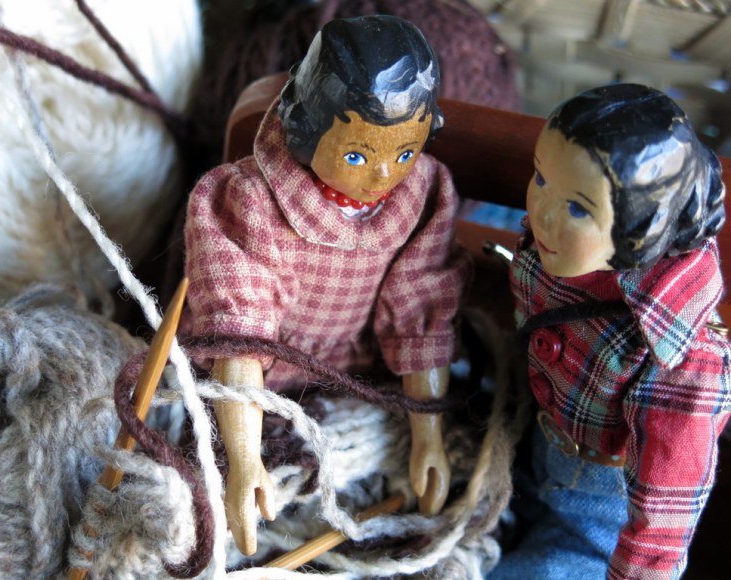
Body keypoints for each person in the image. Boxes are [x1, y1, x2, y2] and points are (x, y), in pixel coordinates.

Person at [184, 15, 469, 555]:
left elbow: (419, 310)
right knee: (199, 482)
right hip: (256, 383)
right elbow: (240, 330)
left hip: (365, 377)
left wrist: (428, 436)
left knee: (377, 503)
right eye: (357, 154)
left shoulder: (423, 194)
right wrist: (243, 461)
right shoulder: (249, 201)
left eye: (404, 152)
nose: (383, 175)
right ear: (306, 128)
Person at [490, 83, 731, 579]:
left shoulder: (680, 360)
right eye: (541, 178)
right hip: (536, 446)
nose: (544, 214)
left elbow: (665, 512)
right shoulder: (567, 257)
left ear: (645, 226)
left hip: (602, 506)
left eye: (579, 208)